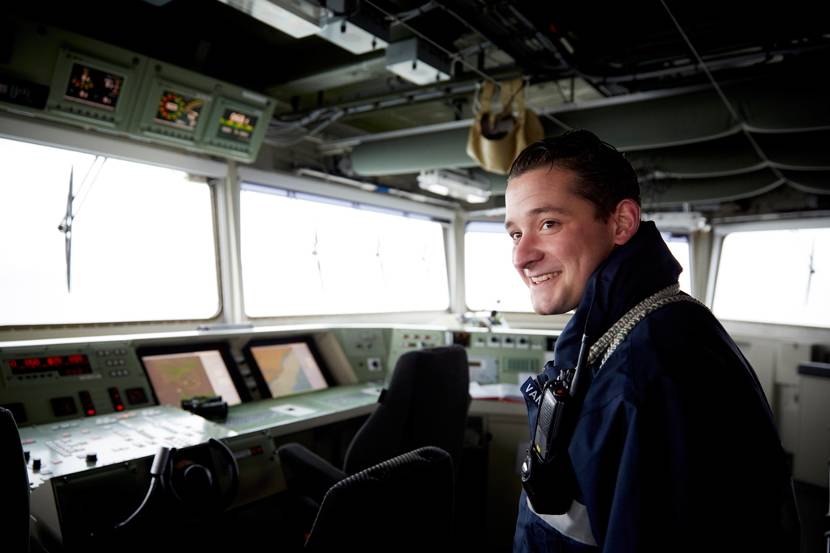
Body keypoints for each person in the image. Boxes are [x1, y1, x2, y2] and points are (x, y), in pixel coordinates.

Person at [505, 129, 800, 553]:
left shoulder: (652, 367)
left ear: (621, 222)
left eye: (548, 224)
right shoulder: (621, 336)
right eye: (516, 234)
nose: (521, 256)